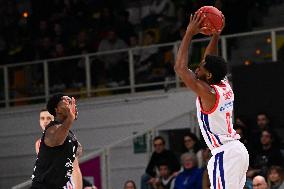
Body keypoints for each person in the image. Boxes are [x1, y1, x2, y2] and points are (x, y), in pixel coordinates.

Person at [174, 12, 249, 189]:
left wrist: (189, 33)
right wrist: (215, 33)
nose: (196, 68)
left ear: (208, 74)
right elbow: (210, 59)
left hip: (225, 153)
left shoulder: (209, 93)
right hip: (237, 151)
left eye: (199, 67)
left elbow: (180, 68)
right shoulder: (223, 83)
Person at [31, 94, 82, 188]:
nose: (69, 104)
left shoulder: (69, 134)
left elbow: (75, 167)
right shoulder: (51, 129)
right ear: (57, 109)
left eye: (70, 102)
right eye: (65, 102)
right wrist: (70, 118)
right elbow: (58, 140)